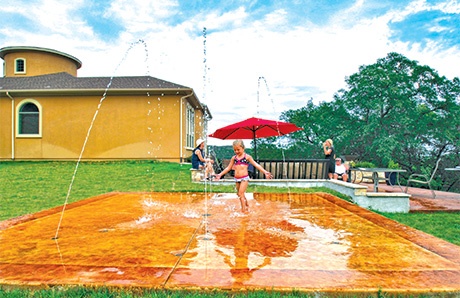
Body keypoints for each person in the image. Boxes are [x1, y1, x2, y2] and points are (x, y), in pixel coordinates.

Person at [215, 139, 273, 213]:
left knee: (241, 193)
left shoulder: (247, 157)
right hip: (236, 178)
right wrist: (220, 174)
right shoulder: (234, 158)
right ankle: (247, 205)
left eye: (238, 149)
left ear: (243, 148)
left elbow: (256, 164)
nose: (236, 151)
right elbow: (228, 168)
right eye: (235, 150)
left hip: (244, 178)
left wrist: (265, 172)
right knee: (239, 194)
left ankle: (243, 211)